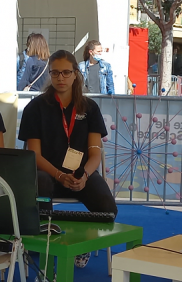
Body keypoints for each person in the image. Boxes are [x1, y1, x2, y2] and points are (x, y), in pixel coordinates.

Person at [19, 50, 118, 267]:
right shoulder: (35, 108)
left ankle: (81, 244)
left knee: (109, 210)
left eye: (66, 72)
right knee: (41, 181)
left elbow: (95, 153)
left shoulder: (89, 108)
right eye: (55, 73)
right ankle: (45, 242)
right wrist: (59, 175)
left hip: (81, 175)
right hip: (47, 175)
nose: (60, 78)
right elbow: (34, 154)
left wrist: (85, 176)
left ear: (75, 74)